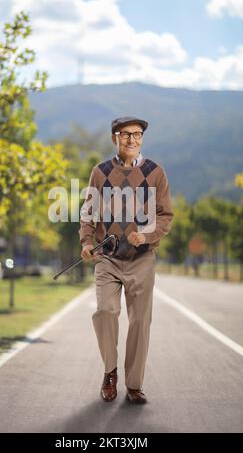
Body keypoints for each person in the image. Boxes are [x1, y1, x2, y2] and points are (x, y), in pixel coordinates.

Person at [79, 116, 174, 404]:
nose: (132, 139)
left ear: (142, 138)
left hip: (142, 259)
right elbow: (88, 214)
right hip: (107, 258)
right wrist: (86, 243)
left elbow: (165, 216)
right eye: (125, 134)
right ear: (114, 138)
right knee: (105, 312)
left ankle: (134, 385)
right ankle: (110, 372)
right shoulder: (100, 172)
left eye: (137, 134)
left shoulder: (156, 173)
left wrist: (145, 237)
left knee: (140, 321)